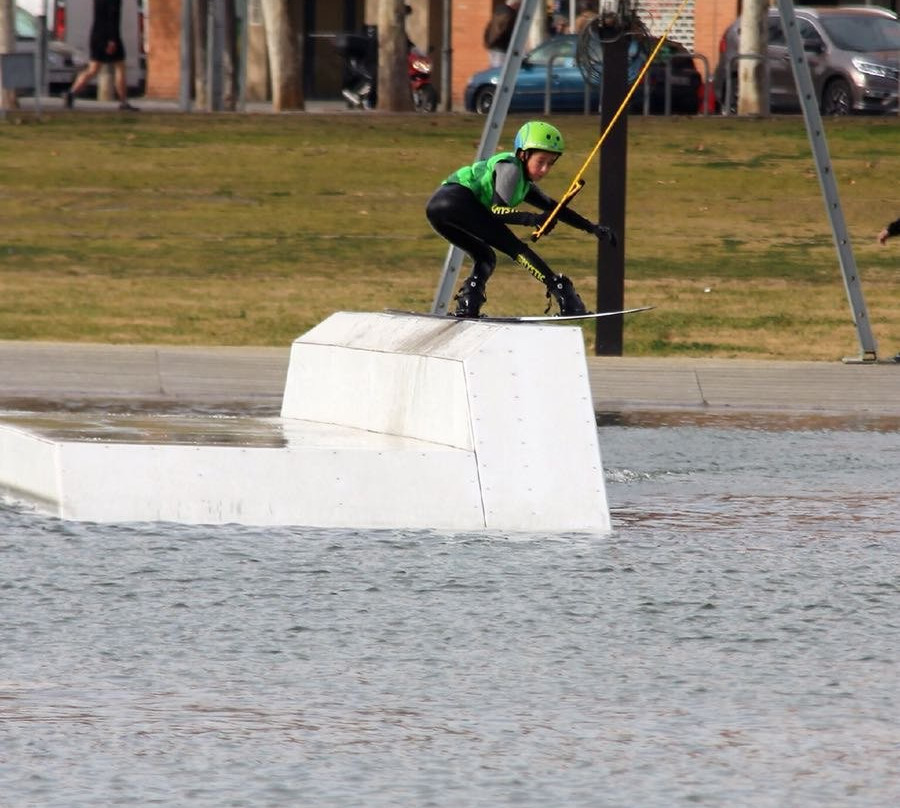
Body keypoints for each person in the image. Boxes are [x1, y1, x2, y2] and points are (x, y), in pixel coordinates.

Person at [425, 121, 617, 318]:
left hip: (437, 209)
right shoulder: (511, 168)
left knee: (485, 257)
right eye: (540, 161)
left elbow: (555, 208)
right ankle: (562, 291)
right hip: (456, 199)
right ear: (523, 154)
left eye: (550, 163)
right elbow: (497, 211)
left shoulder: (523, 183)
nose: (544, 169)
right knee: (515, 248)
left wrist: (591, 228)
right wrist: (533, 219)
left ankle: (469, 303)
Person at [64, 0, 138, 111]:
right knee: (120, 67)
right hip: (110, 37)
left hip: (96, 34)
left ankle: (71, 93)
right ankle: (123, 102)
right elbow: (113, 17)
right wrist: (112, 39)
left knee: (93, 69)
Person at [484, 0, 521, 68]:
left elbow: (489, 28)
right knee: (499, 70)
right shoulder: (508, 13)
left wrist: (488, 42)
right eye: (519, 5)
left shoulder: (499, 11)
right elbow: (502, 29)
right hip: (501, 47)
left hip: (495, 46)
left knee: (495, 68)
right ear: (515, 4)